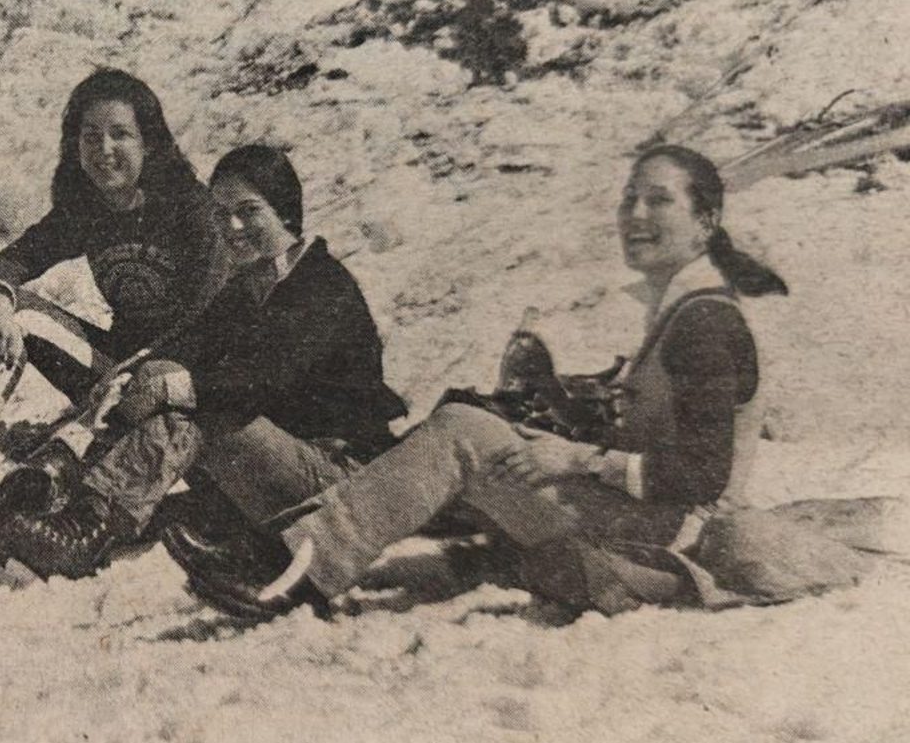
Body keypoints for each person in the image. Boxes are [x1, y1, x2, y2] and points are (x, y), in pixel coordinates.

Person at [170, 144, 791, 619]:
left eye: (660, 201)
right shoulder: (686, 308)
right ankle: (292, 549)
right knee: (478, 430)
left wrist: (582, 459)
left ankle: (298, 568)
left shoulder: (706, 319)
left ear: (706, 222)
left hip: (671, 543)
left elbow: (704, 475)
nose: (636, 214)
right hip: (642, 522)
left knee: (463, 431)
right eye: (630, 198)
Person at [0, 145, 408, 579]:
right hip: (275, 466)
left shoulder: (322, 285)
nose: (233, 226)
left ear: (285, 212)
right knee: (170, 421)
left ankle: (86, 529)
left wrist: (173, 387)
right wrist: (129, 379)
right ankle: (67, 510)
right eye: (222, 212)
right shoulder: (249, 287)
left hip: (342, 479)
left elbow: (266, 379)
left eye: (249, 211)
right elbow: (187, 344)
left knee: (199, 409)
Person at [0, 68, 228, 502]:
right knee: (19, 310)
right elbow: (14, 260)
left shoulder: (194, 212)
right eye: (90, 137)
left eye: (120, 135)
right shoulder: (90, 208)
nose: (104, 150)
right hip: (114, 372)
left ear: (149, 142)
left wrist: (134, 378)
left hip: (181, 383)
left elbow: (209, 320)